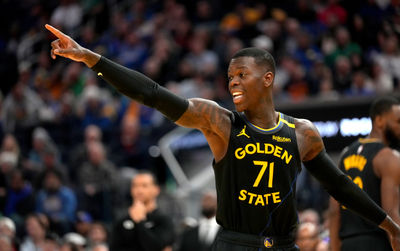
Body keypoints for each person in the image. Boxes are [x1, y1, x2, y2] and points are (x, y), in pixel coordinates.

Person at [45, 24, 400, 251]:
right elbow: (153, 94)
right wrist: (91, 58)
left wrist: (390, 225)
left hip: (284, 245)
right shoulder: (220, 121)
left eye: (241, 74)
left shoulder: (302, 132)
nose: (232, 82)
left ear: (268, 78)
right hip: (236, 244)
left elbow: (340, 185)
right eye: (230, 76)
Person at [329, 96, 400, 251]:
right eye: (398, 122)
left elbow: (334, 211)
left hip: (348, 243)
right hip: (377, 242)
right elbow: (391, 211)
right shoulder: (389, 157)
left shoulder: (346, 153)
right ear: (379, 120)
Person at [109, 171, 175, 251]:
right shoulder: (121, 220)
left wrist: (140, 221)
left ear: (156, 190)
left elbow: (156, 247)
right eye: (135, 186)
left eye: (144, 186)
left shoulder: (164, 220)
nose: (139, 190)